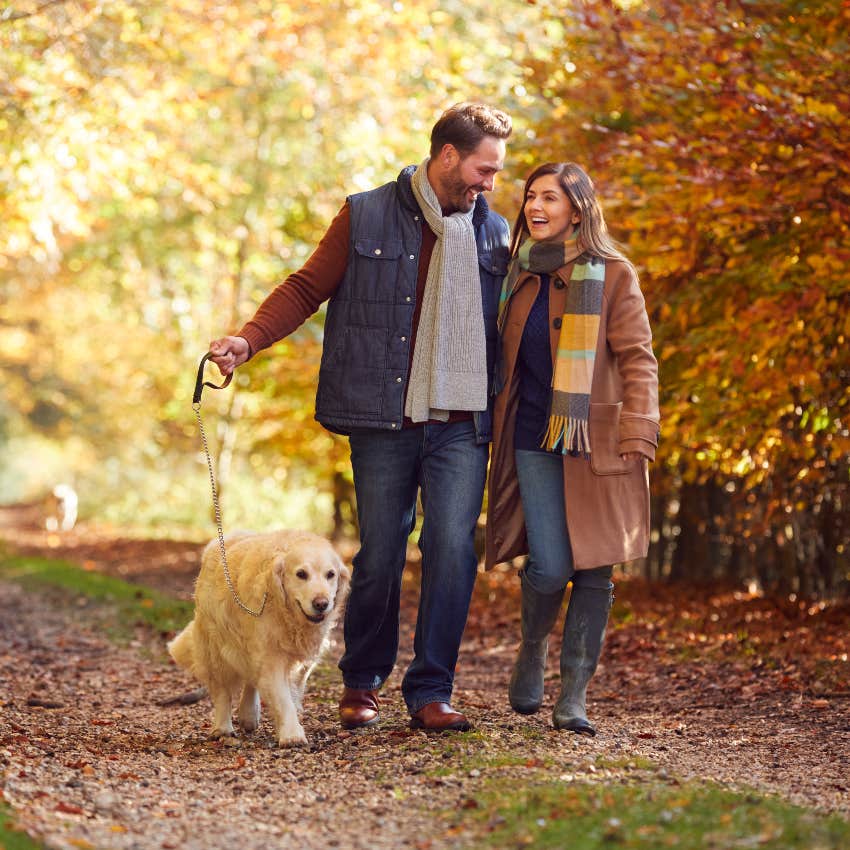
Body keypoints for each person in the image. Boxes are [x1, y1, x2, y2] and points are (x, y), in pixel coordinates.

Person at [208, 103, 513, 733]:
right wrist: (248, 340)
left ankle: (432, 690)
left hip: (461, 419)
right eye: (484, 169)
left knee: (453, 548)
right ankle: (363, 680)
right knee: (380, 552)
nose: (490, 184)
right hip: (385, 415)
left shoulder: (495, 232)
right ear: (448, 156)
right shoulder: (366, 213)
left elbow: (520, 318)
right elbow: (304, 288)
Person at [484, 162, 659, 736]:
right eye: (531, 196)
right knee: (550, 564)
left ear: (577, 209)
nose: (535, 207)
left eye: (550, 199)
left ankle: (574, 696)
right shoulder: (515, 273)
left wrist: (640, 427)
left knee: (595, 572)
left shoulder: (612, 274)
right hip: (534, 436)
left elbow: (637, 358)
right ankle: (531, 647)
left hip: (598, 441)